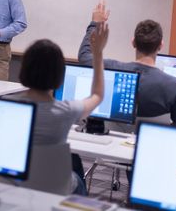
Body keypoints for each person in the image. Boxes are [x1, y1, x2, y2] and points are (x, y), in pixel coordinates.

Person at [17, 22, 109, 195]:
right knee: (75, 170)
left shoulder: (9, 108)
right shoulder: (66, 111)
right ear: (60, 75)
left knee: (74, 160)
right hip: (55, 186)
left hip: (16, 184)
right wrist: (98, 53)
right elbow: (97, 95)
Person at [78, 0, 176, 125]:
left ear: (133, 42)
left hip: (111, 140)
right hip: (147, 143)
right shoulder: (175, 86)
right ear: (161, 45)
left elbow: (84, 57)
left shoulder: (112, 69)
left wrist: (95, 24)